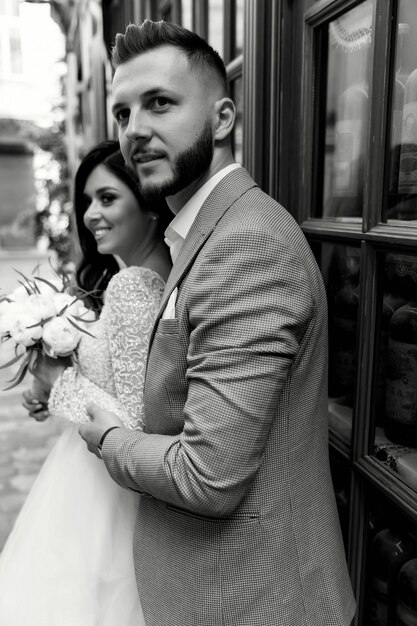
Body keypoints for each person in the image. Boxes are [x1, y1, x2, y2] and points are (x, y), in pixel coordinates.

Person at [80, 20, 356, 626]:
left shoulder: (245, 244)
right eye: (122, 114)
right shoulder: (205, 236)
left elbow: (208, 477)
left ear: (224, 118)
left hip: (253, 602)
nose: (135, 132)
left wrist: (106, 439)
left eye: (160, 104)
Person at [0, 139, 171, 626]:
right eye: (87, 201)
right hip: (97, 479)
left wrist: (57, 383)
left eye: (108, 198)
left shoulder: (135, 285)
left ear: (150, 206)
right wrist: (52, 386)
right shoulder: (138, 277)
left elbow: (136, 421)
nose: (91, 213)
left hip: (108, 496)